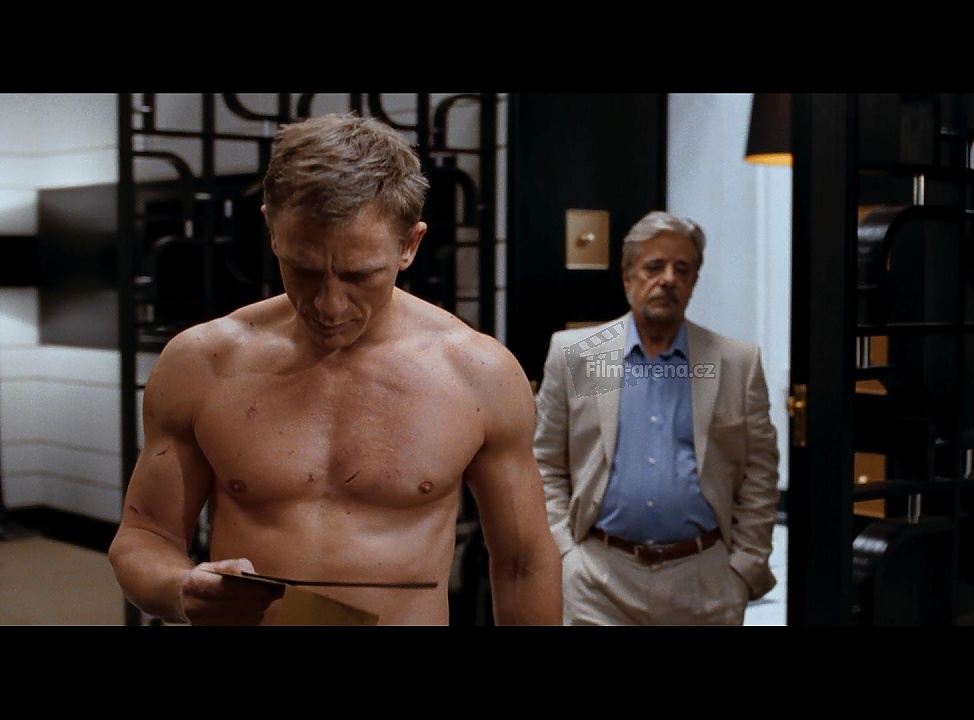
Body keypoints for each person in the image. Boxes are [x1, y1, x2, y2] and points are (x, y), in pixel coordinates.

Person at [108, 112, 562, 626]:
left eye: (359, 276)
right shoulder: (202, 363)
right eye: (303, 270)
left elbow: (523, 563)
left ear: (409, 245)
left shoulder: (478, 373)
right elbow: (145, 536)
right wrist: (180, 589)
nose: (328, 305)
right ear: (272, 230)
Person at [534, 210, 781, 625]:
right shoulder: (580, 355)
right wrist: (564, 553)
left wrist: (744, 565)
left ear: (694, 281)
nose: (668, 279)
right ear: (628, 276)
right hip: (598, 581)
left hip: (705, 581)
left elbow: (760, 469)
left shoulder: (734, 363)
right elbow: (545, 461)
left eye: (682, 270)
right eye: (654, 267)